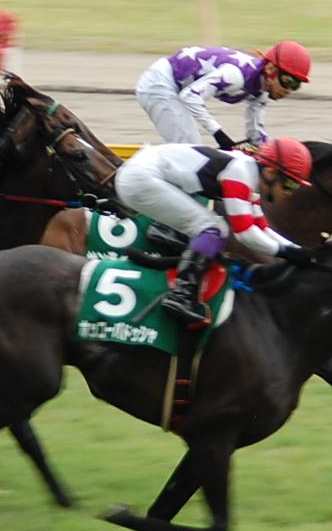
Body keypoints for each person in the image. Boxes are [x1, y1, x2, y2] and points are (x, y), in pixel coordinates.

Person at [114, 137, 316, 325]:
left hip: (147, 172)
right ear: (271, 173)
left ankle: (171, 243)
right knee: (214, 229)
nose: (290, 193)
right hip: (141, 178)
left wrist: (300, 251)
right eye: (289, 184)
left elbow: (261, 228)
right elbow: (245, 234)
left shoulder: (251, 176)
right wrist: (287, 253)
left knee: (212, 229)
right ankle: (181, 295)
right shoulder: (240, 174)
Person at [135, 40, 311, 148]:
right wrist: (218, 134)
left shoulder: (261, 89)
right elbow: (190, 96)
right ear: (271, 69)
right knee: (191, 151)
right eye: (288, 81)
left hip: (176, 85)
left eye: (296, 85)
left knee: (194, 153)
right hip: (159, 84)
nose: (289, 90)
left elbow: (256, 136)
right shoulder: (237, 76)